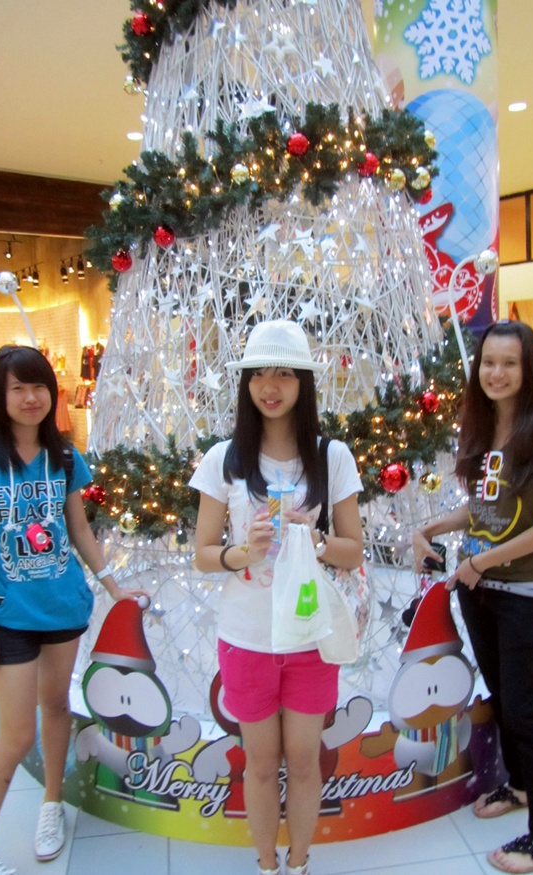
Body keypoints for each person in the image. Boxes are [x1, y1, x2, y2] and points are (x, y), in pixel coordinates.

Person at [0, 345, 144, 875]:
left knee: (56, 707)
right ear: (0, 394)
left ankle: (52, 804)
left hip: (63, 607)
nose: (31, 398)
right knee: (15, 735)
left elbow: (78, 529)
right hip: (8, 617)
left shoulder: (64, 457)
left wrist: (112, 585)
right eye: (19, 388)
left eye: (39, 387)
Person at [189, 320, 364, 875]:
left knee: (305, 762)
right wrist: (243, 552)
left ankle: (300, 861)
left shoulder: (332, 456)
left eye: (284, 374)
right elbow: (202, 554)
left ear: (303, 383)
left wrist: (316, 541)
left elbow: (355, 550)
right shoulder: (224, 459)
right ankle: (267, 864)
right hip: (246, 638)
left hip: (310, 636)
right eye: (259, 374)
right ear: (245, 383)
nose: (270, 386)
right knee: (261, 765)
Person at [413, 320, 533, 874]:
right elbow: (484, 510)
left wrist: (480, 562)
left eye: (509, 363)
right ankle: (520, 785)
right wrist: (432, 527)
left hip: (521, 593)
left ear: (528, 369)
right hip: (479, 590)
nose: (496, 372)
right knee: (505, 697)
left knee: (527, 713)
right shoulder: (483, 429)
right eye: (489, 362)